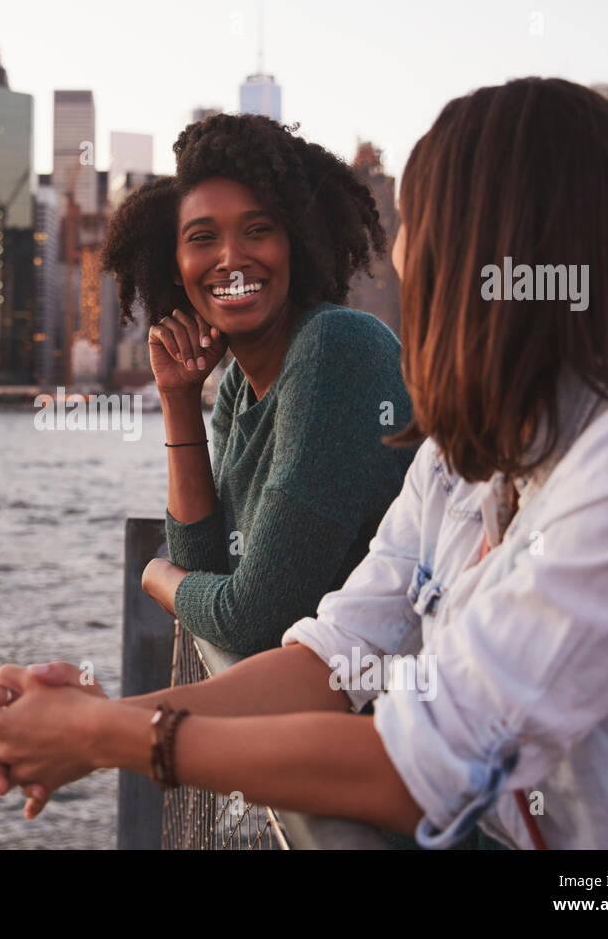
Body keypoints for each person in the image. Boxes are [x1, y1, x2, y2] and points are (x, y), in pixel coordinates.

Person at [0, 77, 608, 847]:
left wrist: (112, 732)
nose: (400, 258)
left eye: (419, 225)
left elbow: (424, 763)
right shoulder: (467, 464)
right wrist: (99, 719)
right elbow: (327, 660)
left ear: (495, 252)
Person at [101, 113, 415, 657]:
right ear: (176, 267)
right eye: (203, 238)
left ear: (295, 242)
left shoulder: (335, 347)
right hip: (313, 706)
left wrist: (156, 577)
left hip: (389, 719)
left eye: (258, 230)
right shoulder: (236, 389)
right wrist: (178, 397)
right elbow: (208, 566)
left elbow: (251, 620)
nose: (231, 258)